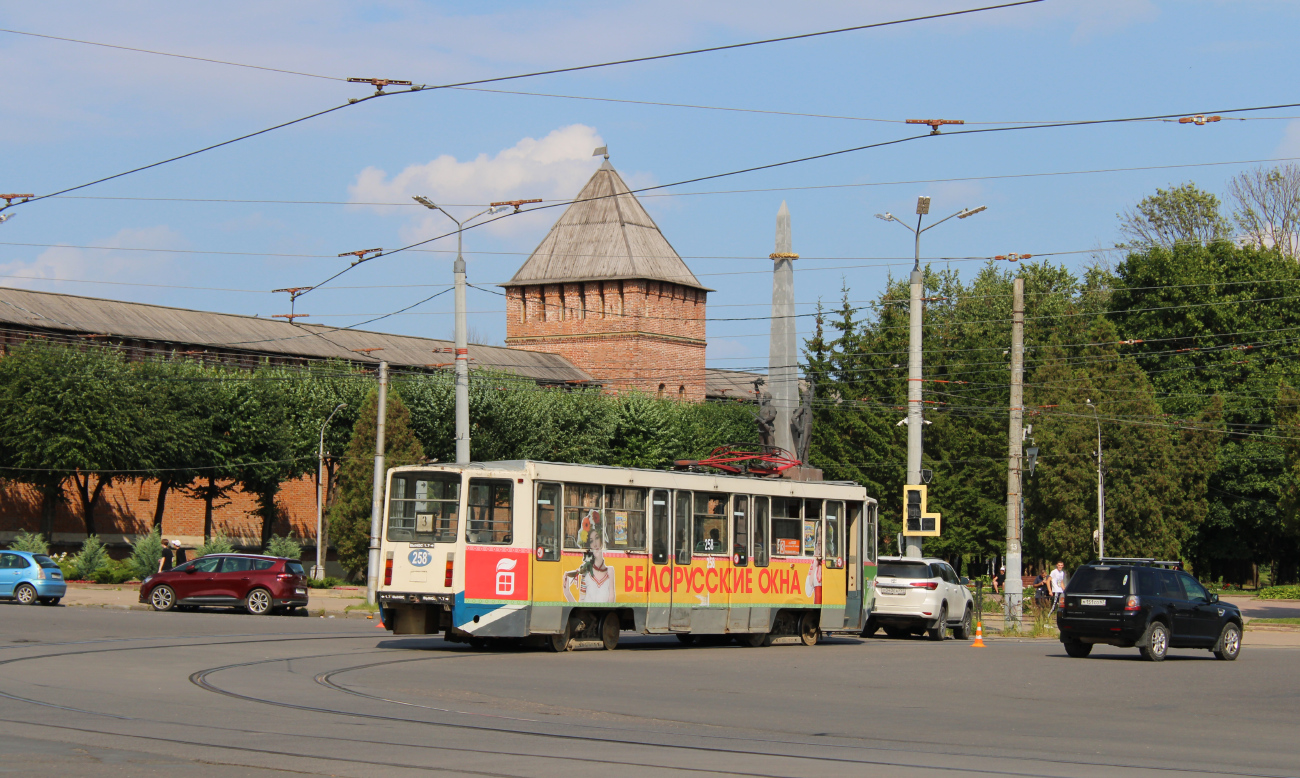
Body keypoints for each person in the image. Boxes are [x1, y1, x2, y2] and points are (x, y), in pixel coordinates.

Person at [563, 509, 615, 603]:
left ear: (601, 540)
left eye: (597, 538)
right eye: (591, 541)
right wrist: (567, 592)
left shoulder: (610, 571)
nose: (595, 544)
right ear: (589, 546)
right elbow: (581, 604)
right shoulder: (586, 573)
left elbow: (612, 602)